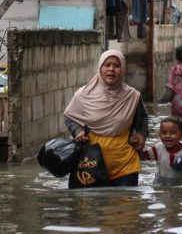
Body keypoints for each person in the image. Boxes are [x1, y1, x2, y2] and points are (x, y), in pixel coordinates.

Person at [63, 49, 149, 187]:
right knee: (91, 206)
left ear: (123, 70)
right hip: (90, 164)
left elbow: (143, 119)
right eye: (107, 65)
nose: (111, 69)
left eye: (116, 65)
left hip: (125, 164)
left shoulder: (132, 97)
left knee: (127, 206)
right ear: (100, 68)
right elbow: (69, 117)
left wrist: (141, 134)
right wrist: (78, 131)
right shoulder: (83, 95)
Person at [142, 116, 182, 186]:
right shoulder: (157, 149)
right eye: (164, 133)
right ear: (160, 135)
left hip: (179, 190)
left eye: (172, 133)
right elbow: (142, 156)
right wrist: (139, 146)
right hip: (159, 188)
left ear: (181, 135)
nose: (167, 136)